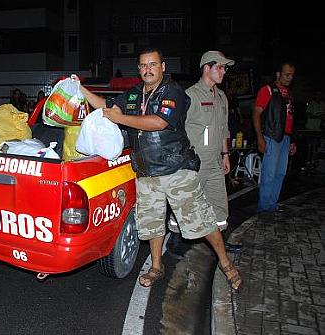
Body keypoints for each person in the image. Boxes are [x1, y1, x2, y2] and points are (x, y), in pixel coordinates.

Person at [76, 47, 242, 291]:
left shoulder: (173, 91)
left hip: (176, 170)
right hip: (146, 174)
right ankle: (156, 267)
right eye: (143, 65)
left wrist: (119, 118)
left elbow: (158, 122)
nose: (147, 69)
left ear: (163, 67)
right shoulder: (134, 94)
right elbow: (106, 107)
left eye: (153, 64)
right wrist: (78, 88)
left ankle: (227, 264)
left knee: (202, 221)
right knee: (152, 224)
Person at [168, 51, 242, 255]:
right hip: (194, 162)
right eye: (220, 67)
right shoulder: (190, 95)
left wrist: (226, 154)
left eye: (225, 68)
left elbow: (224, 128)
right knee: (186, 203)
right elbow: (177, 128)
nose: (224, 71)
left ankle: (219, 243)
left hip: (216, 162)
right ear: (206, 68)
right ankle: (175, 239)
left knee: (219, 204)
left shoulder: (221, 97)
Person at [252, 61, 297, 213]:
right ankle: (264, 207)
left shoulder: (289, 94)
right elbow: (256, 114)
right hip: (271, 136)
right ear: (278, 74)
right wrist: (260, 137)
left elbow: (290, 118)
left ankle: (272, 204)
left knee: (280, 173)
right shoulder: (268, 90)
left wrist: (292, 140)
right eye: (287, 74)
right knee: (269, 174)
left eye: (292, 75)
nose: (290, 78)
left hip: (285, 138)